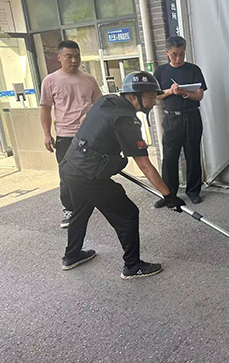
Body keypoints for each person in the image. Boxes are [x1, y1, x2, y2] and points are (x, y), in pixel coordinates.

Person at [59, 71, 186, 279]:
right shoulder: (126, 121)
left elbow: (85, 120)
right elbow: (145, 166)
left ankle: (72, 256)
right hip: (88, 175)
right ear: (134, 97)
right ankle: (132, 266)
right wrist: (168, 195)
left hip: (70, 166)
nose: (154, 101)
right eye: (151, 97)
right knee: (127, 213)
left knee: (81, 210)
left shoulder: (107, 100)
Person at [40, 40, 103, 228]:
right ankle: (69, 209)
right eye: (69, 56)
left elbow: (100, 105)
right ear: (59, 57)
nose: (74, 60)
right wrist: (46, 134)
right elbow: (45, 109)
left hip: (89, 135)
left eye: (77, 56)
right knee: (66, 174)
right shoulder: (50, 80)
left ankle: (93, 204)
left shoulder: (89, 79)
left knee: (93, 172)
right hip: (65, 136)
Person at [153, 36, 207, 207]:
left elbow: (200, 95)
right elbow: (155, 96)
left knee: (193, 155)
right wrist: (170, 91)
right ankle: (169, 194)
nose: (178, 58)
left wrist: (185, 93)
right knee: (169, 157)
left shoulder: (193, 69)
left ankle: (194, 192)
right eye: (174, 55)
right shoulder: (161, 72)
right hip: (171, 118)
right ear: (167, 53)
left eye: (182, 54)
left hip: (191, 116)